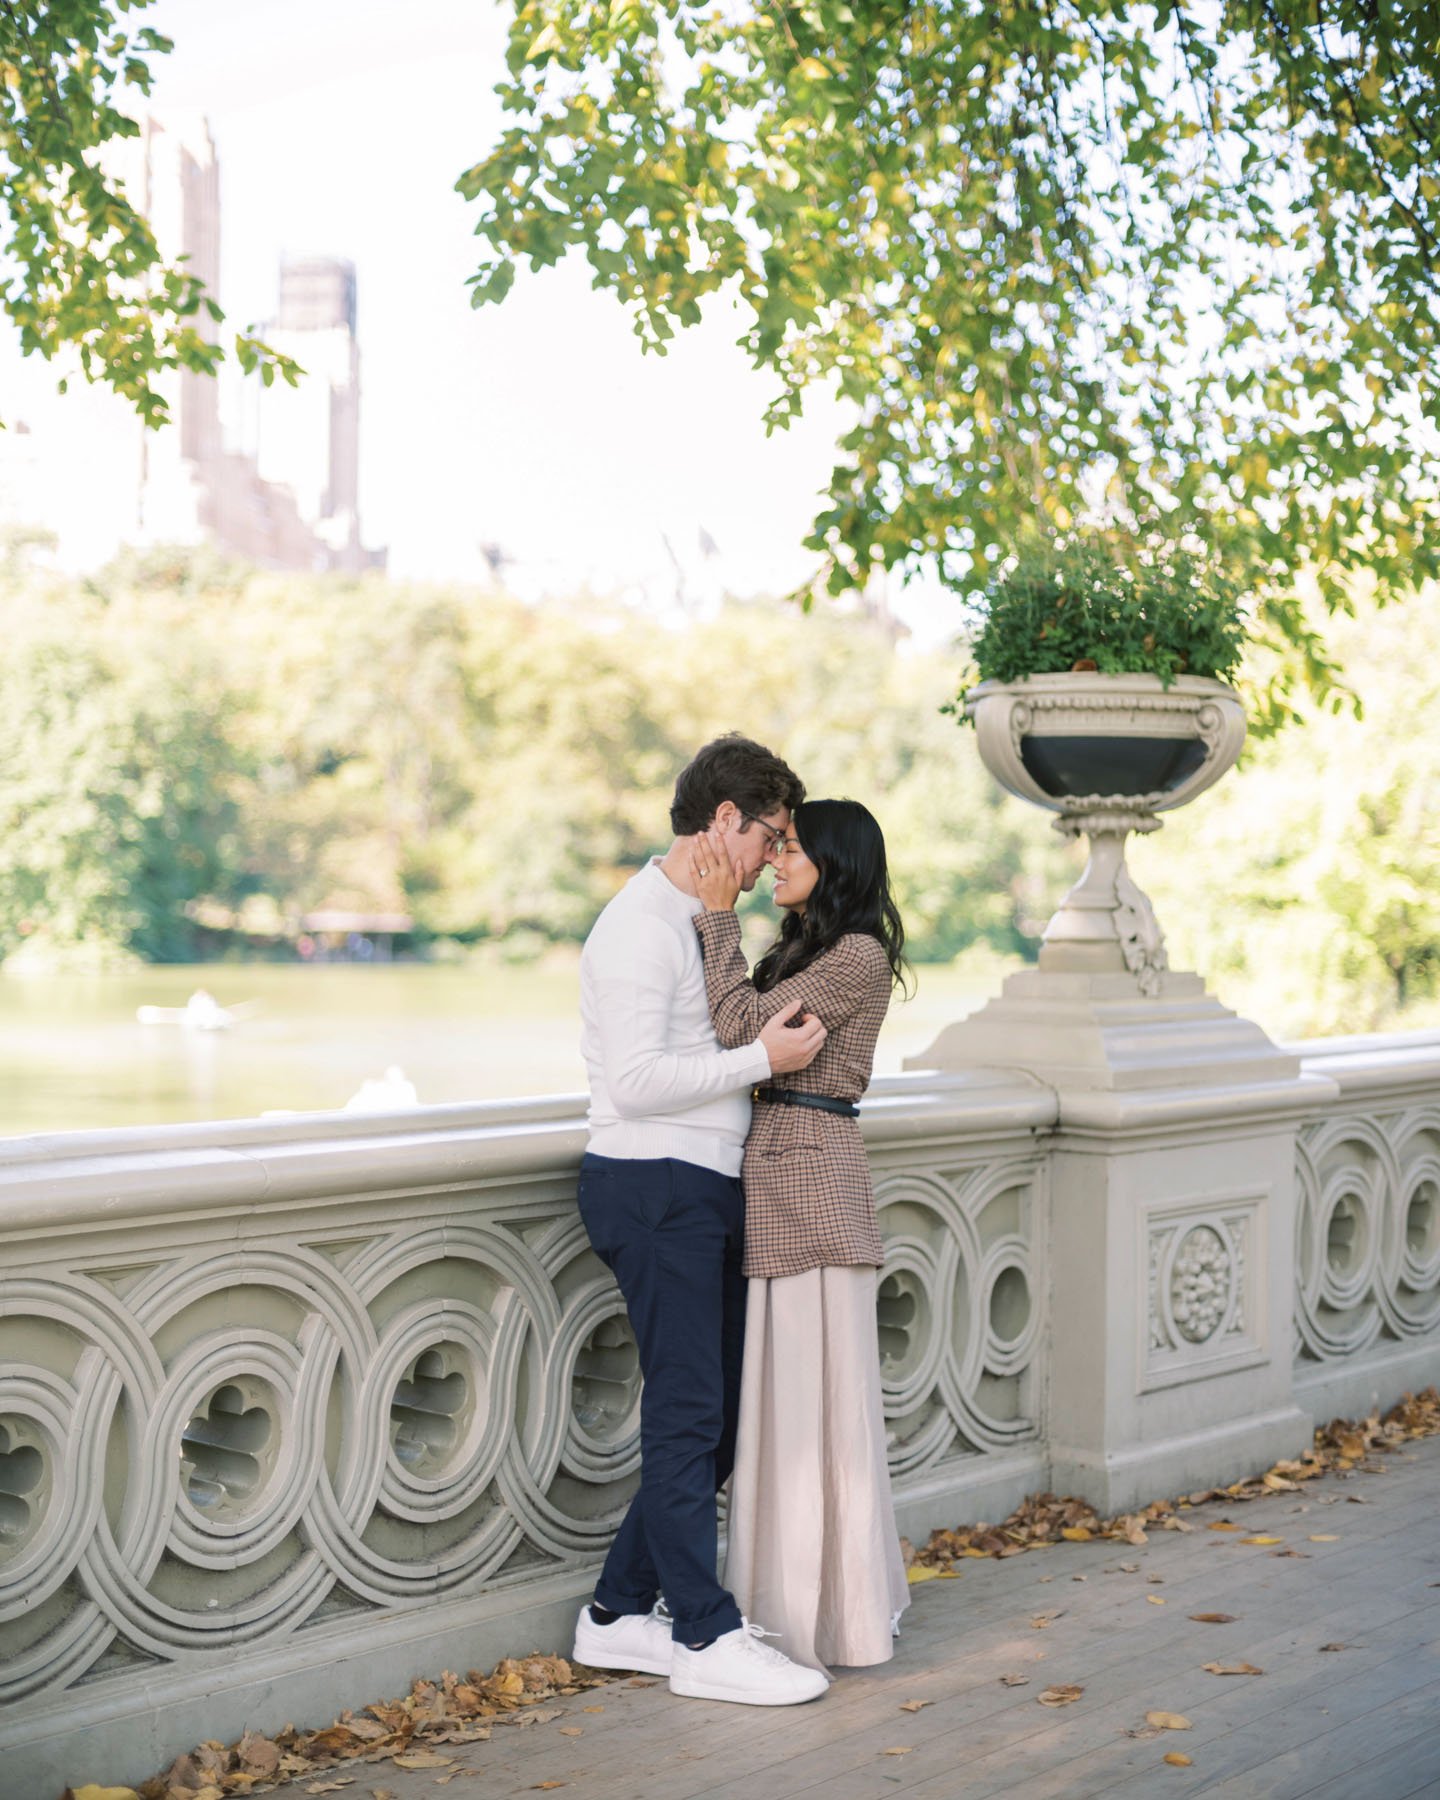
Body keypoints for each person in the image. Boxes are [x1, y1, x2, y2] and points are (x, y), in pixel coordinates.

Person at [572, 734, 831, 1707]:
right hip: (654, 1187)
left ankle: (613, 1616)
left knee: (713, 1426)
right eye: (770, 834)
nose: (774, 855)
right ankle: (704, 1635)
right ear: (723, 821)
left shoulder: (700, 920)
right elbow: (635, 1086)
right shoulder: (639, 926)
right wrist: (762, 1059)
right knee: (688, 1418)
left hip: (704, 1187)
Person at [689, 797, 911, 1674]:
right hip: (781, 1174)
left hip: (813, 1181)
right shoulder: (810, 950)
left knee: (817, 1410)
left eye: (792, 850)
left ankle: (830, 1617)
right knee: (783, 1408)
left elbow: (745, 1029)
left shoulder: (856, 955)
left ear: (836, 861)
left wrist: (715, 920)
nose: (776, 861)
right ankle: (785, 1605)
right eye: (773, 846)